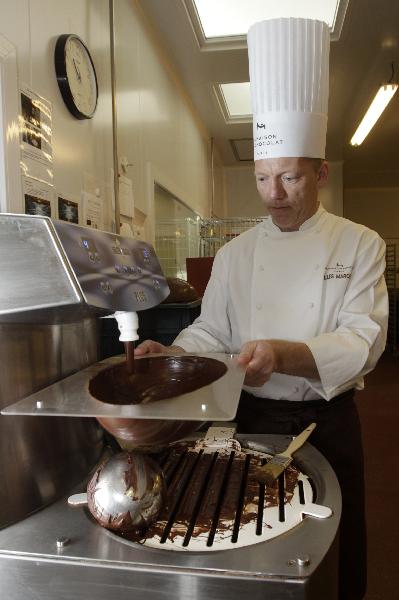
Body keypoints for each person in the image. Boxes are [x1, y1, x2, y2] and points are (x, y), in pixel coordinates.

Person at [135, 18, 389, 600]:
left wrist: (285, 355)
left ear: (321, 172)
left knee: (335, 541)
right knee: (253, 532)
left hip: (326, 421)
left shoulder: (359, 243)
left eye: (291, 178)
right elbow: (212, 330)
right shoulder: (236, 253)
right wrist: (171, 354)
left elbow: (363, 341)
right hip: (250, 420)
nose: (273, 194)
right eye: (263, 178)